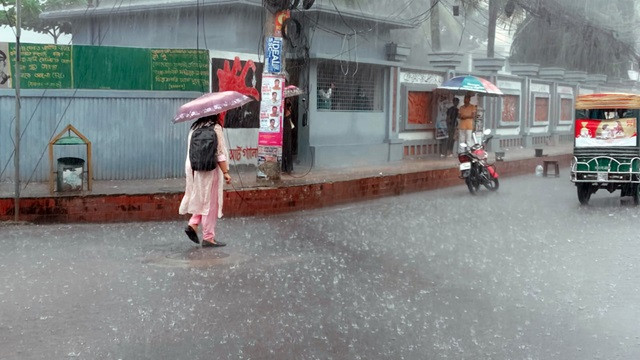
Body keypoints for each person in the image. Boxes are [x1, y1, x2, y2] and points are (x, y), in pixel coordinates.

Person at [180, 114, 232, 247]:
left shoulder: (194, 127)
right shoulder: (215, 127)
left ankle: (193, 223)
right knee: (211, 203)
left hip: (194, 168)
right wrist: (226, 172)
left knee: (200, 198)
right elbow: (219, 153)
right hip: (210, 169)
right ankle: (208, 237)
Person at [282, 100, 294, 173]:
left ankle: (286, 167)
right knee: (286, 150)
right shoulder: (287, 113)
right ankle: (286, 167)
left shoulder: (287, 113)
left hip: (286, 133)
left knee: (286, 150)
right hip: (286, 132)